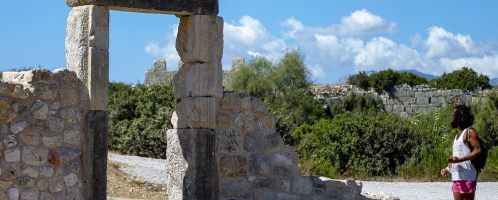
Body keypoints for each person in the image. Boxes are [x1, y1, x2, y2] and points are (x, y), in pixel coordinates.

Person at [440, 105, 482, 200]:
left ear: (460, 117)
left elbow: (478, 150)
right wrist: (448, 168)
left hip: (468, 176)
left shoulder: (470, 132)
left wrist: (461, 159)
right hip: (456, 177)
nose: (452, 117)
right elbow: (457, 156)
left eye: (454, 115)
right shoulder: (457, 136)